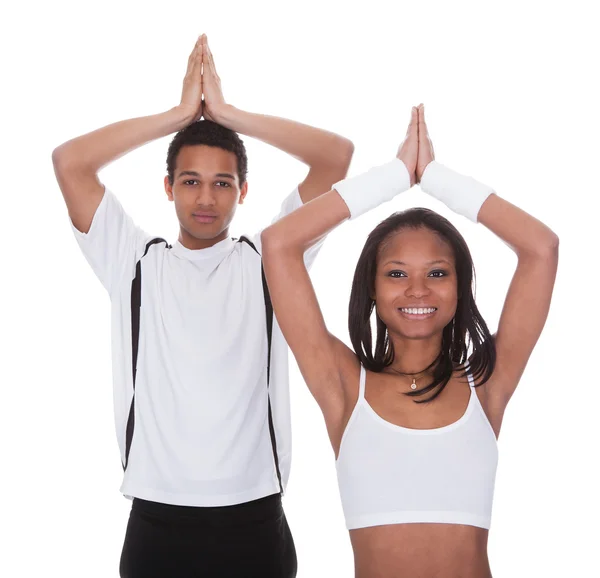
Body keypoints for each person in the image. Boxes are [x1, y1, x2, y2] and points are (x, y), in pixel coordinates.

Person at [51, 33, 353, 578]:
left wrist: (228, 114)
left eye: (222, 183)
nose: (206, 198)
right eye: (191, 182)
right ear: (168, 187)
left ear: (243, 191)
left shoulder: (272, 257)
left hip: (255, 519)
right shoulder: (133, 261)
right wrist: (178, 116)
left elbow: (336, 158)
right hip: (155, 521)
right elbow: (69, 162)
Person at [261, 104, 558, 578]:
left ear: (460, 289)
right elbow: (278, 244)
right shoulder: (343, 386)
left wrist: (436, 178)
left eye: (437, 273)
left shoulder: (487, 383)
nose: (417, 290)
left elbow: (541, 249)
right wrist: (397, 176)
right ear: (372, 291)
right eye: (396, 274)